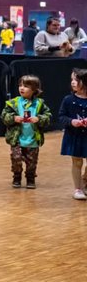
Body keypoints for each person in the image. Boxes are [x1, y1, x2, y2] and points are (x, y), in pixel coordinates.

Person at [1, 75, 51, 190]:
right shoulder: (12, 103)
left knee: (32, 162)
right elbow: (4, 116)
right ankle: (17, 177)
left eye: (26, 86)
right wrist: (13, 118)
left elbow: (48, 117)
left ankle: (30, 178)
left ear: (34, 89)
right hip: (17, 139)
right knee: (16, 159)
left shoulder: (39, 104)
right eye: (20, 85)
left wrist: (39, 119)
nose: (21, 88)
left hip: (32, 139)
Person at [59, 68, 87, 201]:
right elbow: (61, 117)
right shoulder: (68, 100)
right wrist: (72, 121)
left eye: (76, 80)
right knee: (76, 162)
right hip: (74, 136)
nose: (73, 82)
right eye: (72, 80)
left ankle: (85, 181)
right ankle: (78, 188)